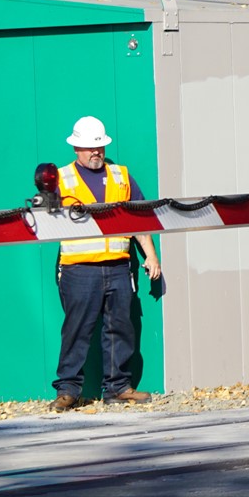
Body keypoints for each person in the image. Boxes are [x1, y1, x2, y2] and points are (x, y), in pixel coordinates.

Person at [50, 115, 161, 411]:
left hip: (117, 266)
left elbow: (138, 217)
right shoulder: (61, 179)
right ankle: (68, 390)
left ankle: (118, 388)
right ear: (76, 149)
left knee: (120, 327)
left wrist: (149, 254)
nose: (95, 152)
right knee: (77, 329)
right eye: (89, 148)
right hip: (79, 268)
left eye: (99, 147)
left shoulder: (121, 176)